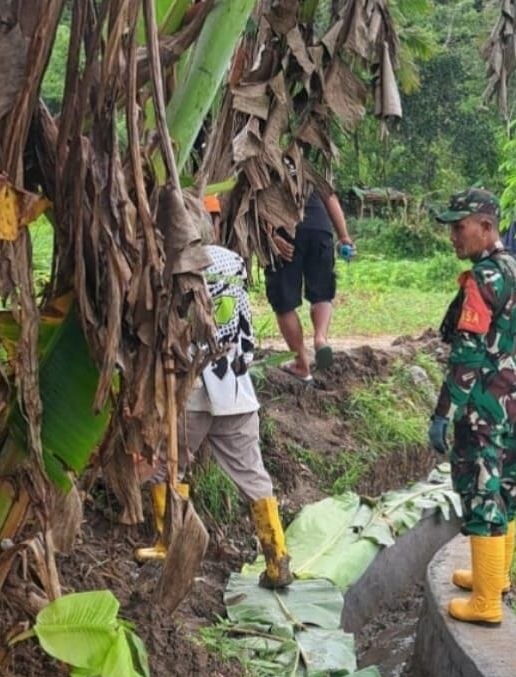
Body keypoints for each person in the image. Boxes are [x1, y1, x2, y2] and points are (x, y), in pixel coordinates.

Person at [136, 194, 292, 590]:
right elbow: (242, 321)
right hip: (237, 387)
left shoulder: (172, 266)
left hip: (191, 386)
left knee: (169, 465)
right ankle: (277, 558)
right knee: (252, 473)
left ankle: (169, 543)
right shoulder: (233, 262)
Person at [428, 188, 516, 626]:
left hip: (484, 407)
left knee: (482, 494)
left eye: (460, 227)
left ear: (486, 227)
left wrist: (443, 413)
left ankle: (486, 603)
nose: (454, 237)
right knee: (507, 488)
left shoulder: (481, 281)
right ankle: (494, 579)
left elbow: (467, 356)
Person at [266, 185, 354, 383]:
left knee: (284, 302)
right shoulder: (307, 168)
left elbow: (256, 206)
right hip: (320, 229)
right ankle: (320, 338)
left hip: (285, 231)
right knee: (322, 294)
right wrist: (344, 237)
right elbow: (330, 198)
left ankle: (301, 364)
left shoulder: (262, 164)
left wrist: (272, 236)